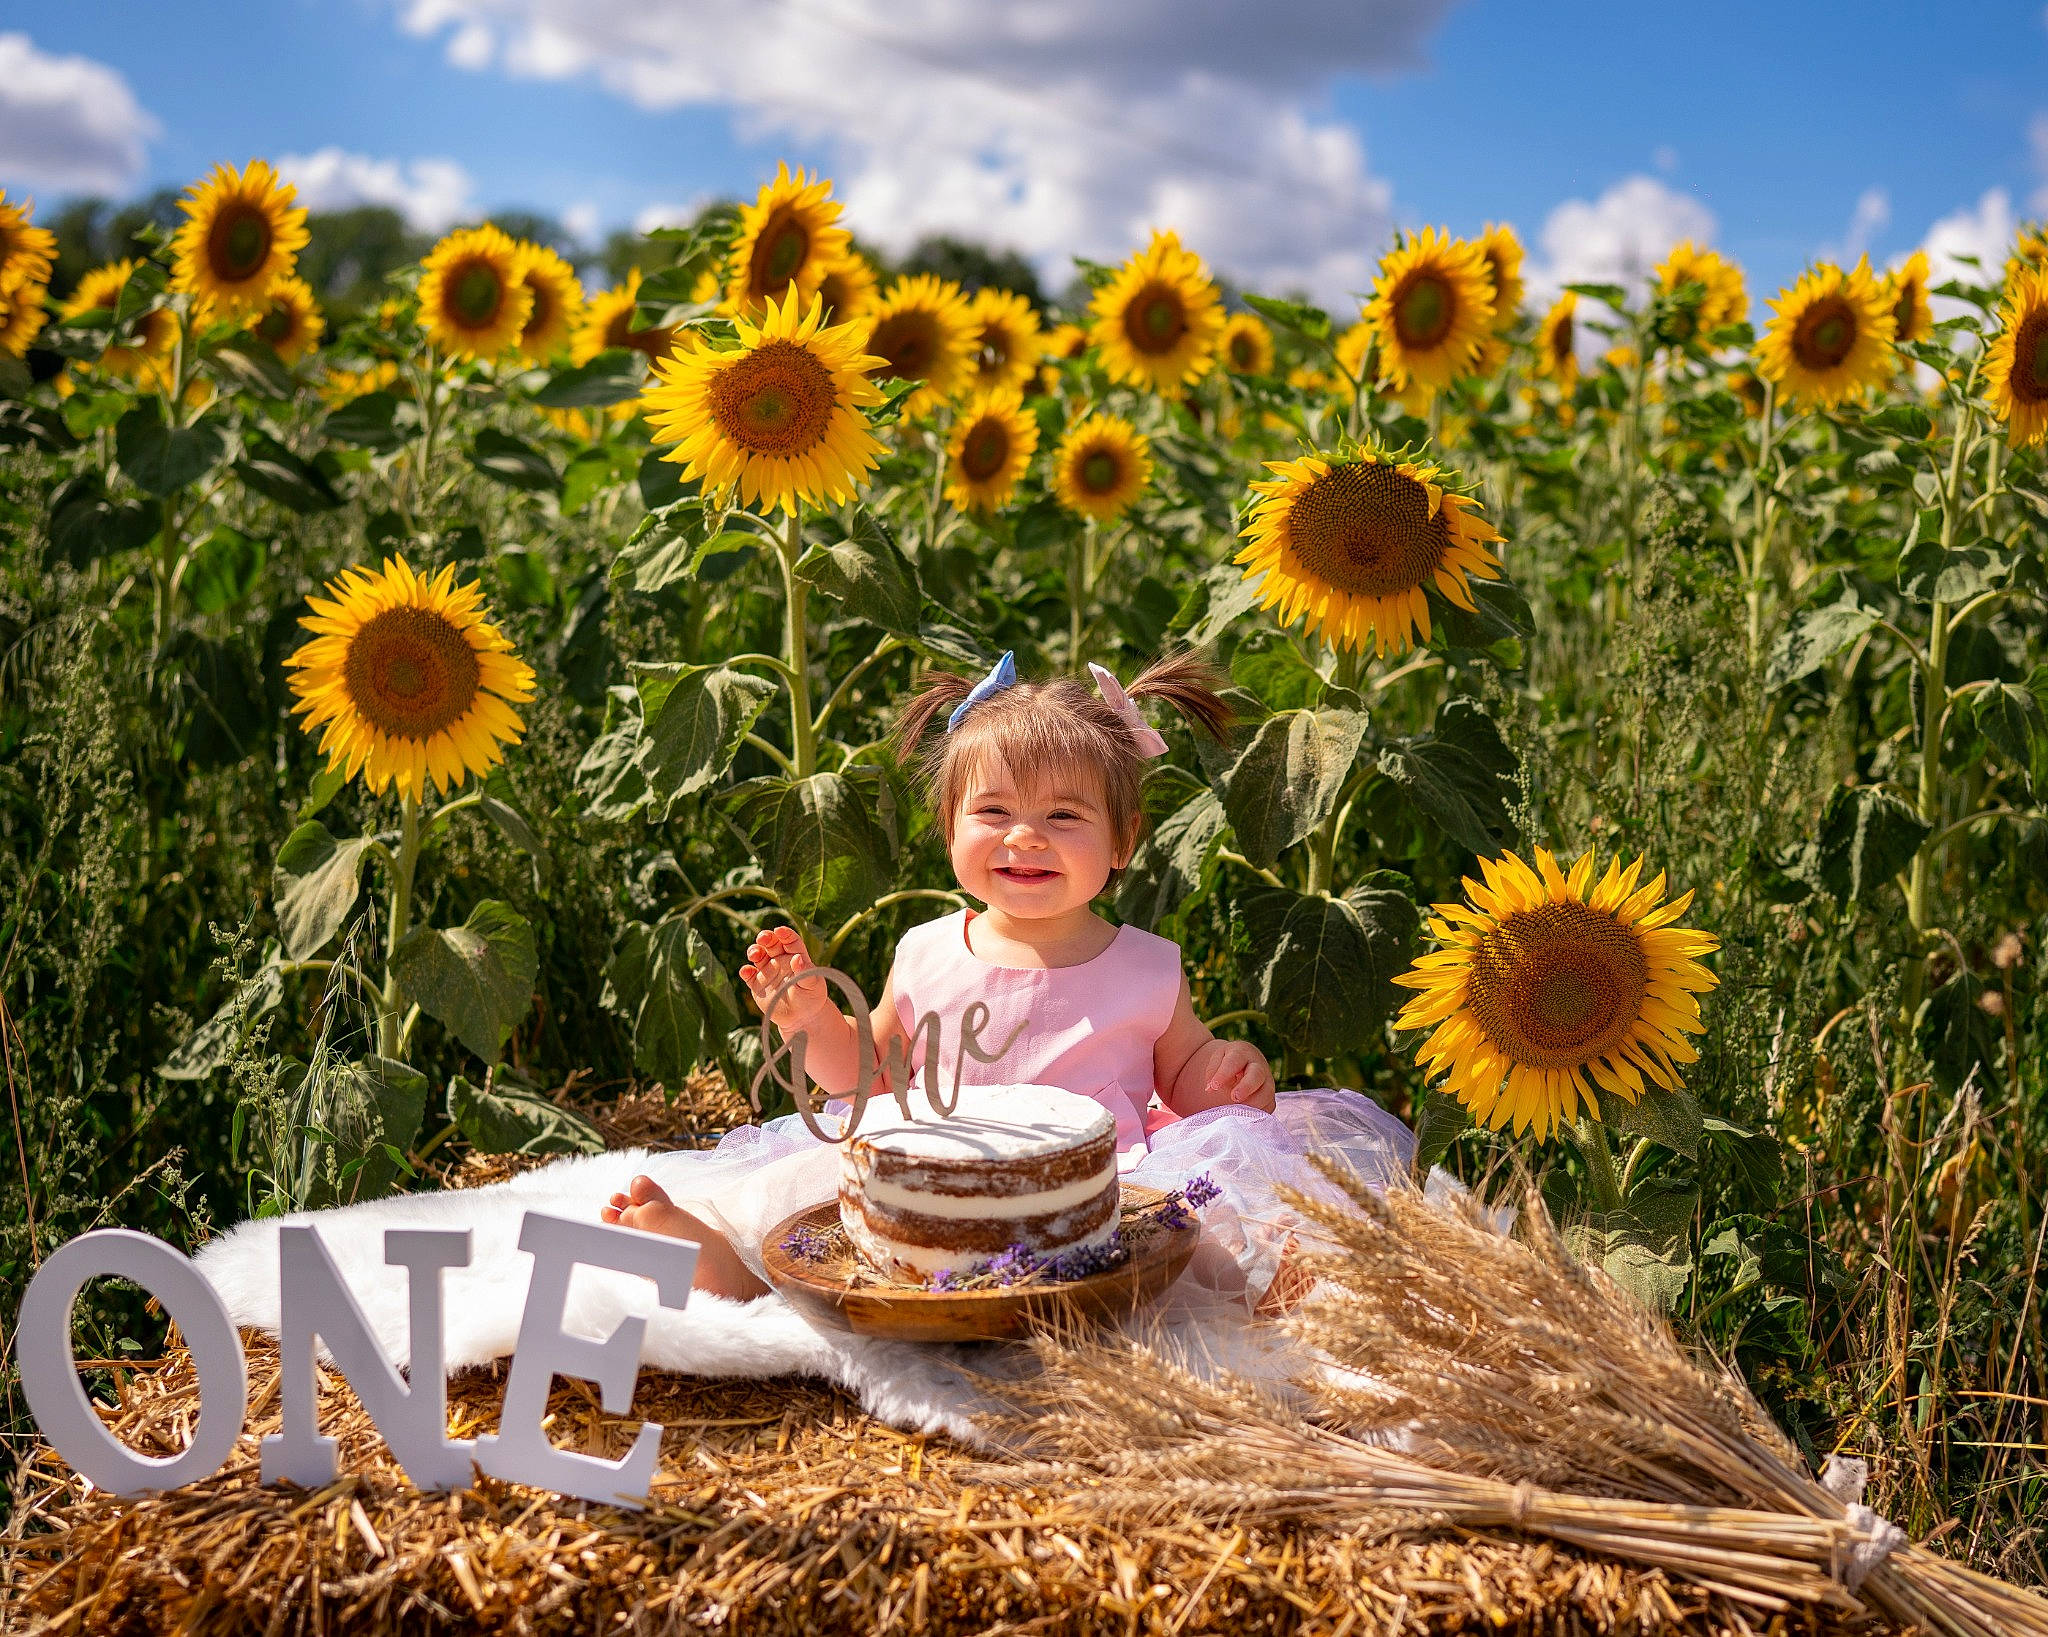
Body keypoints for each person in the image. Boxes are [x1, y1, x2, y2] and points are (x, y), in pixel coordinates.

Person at [602, 650, 1418, 1307]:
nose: (1025, 836)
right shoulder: (925, 951)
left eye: (1064, 816)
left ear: (1124, 839)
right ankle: (734, 1269)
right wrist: (813, 1019)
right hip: (934, 1182)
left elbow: (1189, 1077)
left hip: (1103, 1195)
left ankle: (1280, 1284)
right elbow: (868, 1079)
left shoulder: (1146, 967)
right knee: (807, 1202)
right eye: (992, 812)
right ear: (950, 826)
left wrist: (1226, 1073)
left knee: (1204, 1236)